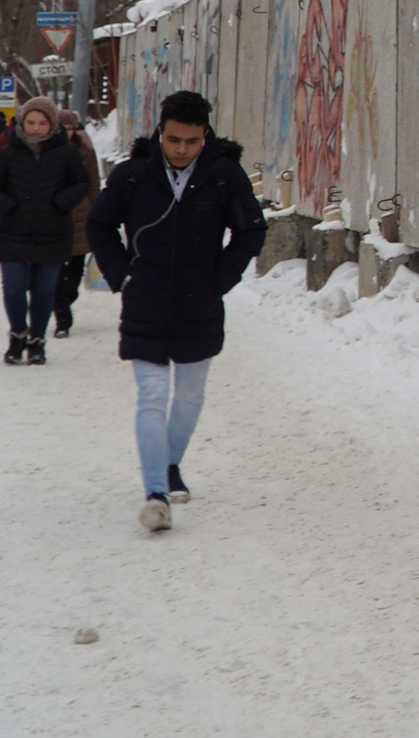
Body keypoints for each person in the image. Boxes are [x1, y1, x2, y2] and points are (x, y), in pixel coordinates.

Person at [87, 90, 265, 534]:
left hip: (199, 301)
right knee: (150, 394)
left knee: (188, 396)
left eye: (190, 140)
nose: (181, 149)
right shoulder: (133, 175)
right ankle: (155, 493)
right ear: (159, 133)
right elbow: (99, 224)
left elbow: (251, 231)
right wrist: (121, 273)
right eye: (172, 140)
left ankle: (169, 465)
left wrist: (220, 279)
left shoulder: (225, 176)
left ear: (205, 135)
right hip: (144, 298)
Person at [0, 97, 89, 366]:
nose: (36, 128)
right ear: (22, 122)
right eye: (31, 122)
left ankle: (37, 341)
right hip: (13, 232)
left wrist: (60, 203)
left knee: (43, 290)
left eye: (42, 123)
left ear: (52, 124)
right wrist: (9, 206)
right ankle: (18, 333)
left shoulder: (66, 152)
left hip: (53, 231)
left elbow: (82, 183)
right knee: (14, 288)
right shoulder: (9, 152)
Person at [51, 108, 103, 338]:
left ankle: (66, 299)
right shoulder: (48, 150)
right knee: (53, 271)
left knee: (74, 269)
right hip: (56, 215)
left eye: (71, 129)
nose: (68, 133)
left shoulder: (86, 151)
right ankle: (62, 317)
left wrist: (94, 206)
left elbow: (94, 182)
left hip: (82, 215)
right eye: (64, 129)